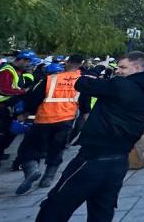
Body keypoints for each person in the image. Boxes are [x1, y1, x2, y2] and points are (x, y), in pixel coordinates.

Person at [35, 51, 144, 222]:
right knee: (101, 209)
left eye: (123, 67)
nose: (118, 71)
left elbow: (82, 83)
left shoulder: (121, 86)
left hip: (93, 157)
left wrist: (98, 68)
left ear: (137, 67)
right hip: (119, 160)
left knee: (56, 205)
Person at [15, 56, 89, 195]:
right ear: (81, 65)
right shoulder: (82, 81)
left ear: (66, 63)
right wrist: (85, 115)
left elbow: (34, 97)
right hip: (66, 120)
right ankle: (48, 177)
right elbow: (85, 102)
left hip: (44, 118)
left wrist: (26, 113)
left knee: (29, 147)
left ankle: (32, 169)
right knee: (57, 148)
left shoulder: (51, 79)